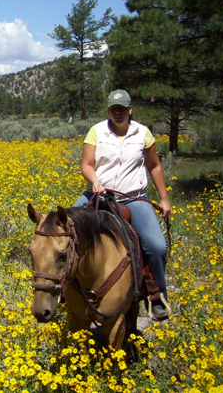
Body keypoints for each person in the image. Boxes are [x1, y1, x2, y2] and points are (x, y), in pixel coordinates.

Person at [73, 89, 172, 321]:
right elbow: (86, 164)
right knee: (66, 230)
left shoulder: (142, 133)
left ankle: (156, 296)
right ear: (108, 110)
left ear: (130, 109)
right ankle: (65, 292)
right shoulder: (96, 131)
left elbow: (154, 165)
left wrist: (164, 198)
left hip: (133, 198)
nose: (117, 113)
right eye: (113, 109)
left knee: (157, 246)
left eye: (122, 108)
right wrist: (95, 181)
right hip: (98, 196)